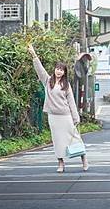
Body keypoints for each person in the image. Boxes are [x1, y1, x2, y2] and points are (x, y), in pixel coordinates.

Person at [28, 43, 89, 173]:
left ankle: (83, 158)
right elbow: (40, 70)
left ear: (64, 72)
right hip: (53, 117)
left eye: (61, 70)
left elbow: (71, 102)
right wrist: (34, 55)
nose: (59, 71)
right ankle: (61, 163)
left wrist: (75, 117)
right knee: (57, 141)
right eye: (57, 69)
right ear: (54, 69)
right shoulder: (48, 81)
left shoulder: (66, 85)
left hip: (65, 116)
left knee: (75, 138)